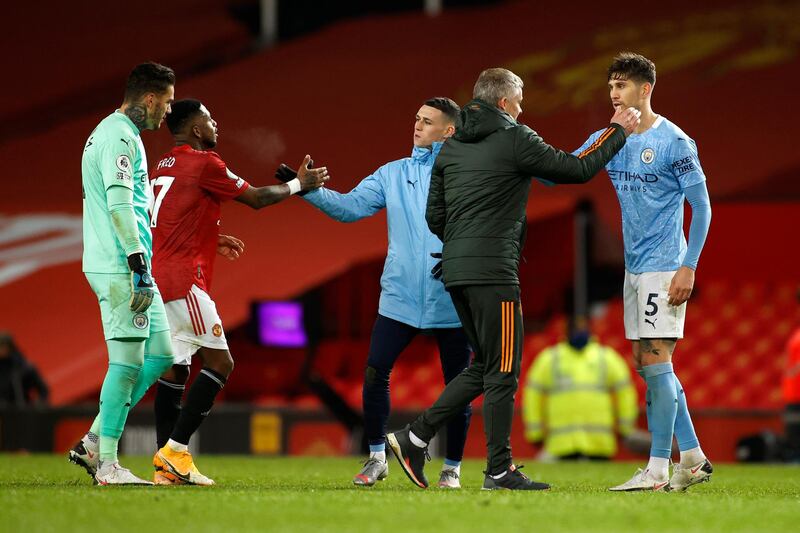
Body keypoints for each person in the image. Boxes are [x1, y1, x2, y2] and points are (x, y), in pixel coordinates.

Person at [387, 68, 640, 490]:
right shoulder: (516, 137)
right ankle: (498, 469)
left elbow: (435, 217)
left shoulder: (450, 148)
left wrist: (463, 244)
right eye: (519, 101)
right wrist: (615, 132)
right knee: (503, 370)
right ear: (504, 103)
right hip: (493, 272)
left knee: (485, 365)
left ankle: (414, 437)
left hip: (456, 271)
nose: (523, 108)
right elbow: (576, 169)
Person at [276, 98, 473, 489]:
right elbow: (349, 208)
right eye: (416, 117)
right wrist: (307, 190)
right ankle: (377, 458)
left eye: (428, 121)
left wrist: (458, 256)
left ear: (448, 131)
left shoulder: (464, 174)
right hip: (399, 295)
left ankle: (452, 468)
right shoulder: (392, 173)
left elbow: (484, 224)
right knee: (375, 371)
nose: (417, 125)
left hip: (450, 295)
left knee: (459, 386)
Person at [142, 99, 328, 485]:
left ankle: (166, 465)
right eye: (209, 119)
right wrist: (299, 184)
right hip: (183, 281)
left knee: (176, 371)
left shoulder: (162, 165)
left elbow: (164, 220)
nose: (216, 124)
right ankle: (174, 451)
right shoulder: (205, 162)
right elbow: (257, 198)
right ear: (195, 129)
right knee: (220, 363)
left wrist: (209, 237)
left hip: (161, 277)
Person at [571, 53, 713, 492]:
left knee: (655, 358)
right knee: (650, 363)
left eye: (622, 86)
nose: (614, 94)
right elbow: (565, 171)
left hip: (665, 265)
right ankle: (692, 457)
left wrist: (688, 267)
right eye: (611, 86)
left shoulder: (674, 141)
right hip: (634, 267)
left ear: (644, 89)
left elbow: (703, 207)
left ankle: (657, 469)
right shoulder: (609, 138)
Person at [69, 62, 176, 485]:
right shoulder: (116, 136)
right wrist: (136, 265)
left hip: (129, 262)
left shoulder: (121, 133)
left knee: (162, 353)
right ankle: (108, 464)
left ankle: (95, 439)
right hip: (119, 265)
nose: (167, 111)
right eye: (166, 102)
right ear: (149, 99)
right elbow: (118, 205)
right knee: (128, 362)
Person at [522, 316, 637, 460]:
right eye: (575, 328)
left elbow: (625, 393)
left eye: (582, 328)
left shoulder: (606, 358)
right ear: (566, 331)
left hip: (599, 445)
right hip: (562, 445)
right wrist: (535, 432)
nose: (579, 332)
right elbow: (533, 395)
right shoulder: (550, 359)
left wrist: (624, 428)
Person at [0, 333, 49, 406]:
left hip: (23, 411)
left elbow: (43, 389)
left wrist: (39, 404)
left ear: (9, 347)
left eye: (2, 346)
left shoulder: (23, 367)